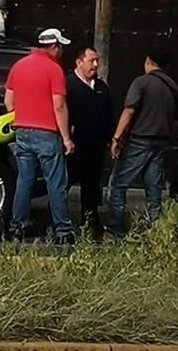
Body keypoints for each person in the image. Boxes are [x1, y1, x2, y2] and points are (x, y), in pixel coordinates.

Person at [4, 28, 75, 244]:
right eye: (60, 47)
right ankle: (63, 231)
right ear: (53, 47)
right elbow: (59, 106)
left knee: (24, 181)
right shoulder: (54, 69)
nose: (62, 51)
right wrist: (66, 139)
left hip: (22, 131)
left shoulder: (19, 66)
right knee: (56, 183)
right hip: (47, 133)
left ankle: (17, 227)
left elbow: (8, 102)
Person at [107, 47, 178, 237]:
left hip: (139, 140)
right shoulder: (172, 86)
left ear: (148, 61)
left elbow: (129, 111)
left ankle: (115, 230)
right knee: (154, 189)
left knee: (118, 184)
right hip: (162, 143)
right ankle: (153, 231)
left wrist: (116, 138)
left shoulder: (141, 82)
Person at [66, 46, 113, 234]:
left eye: (97, 61)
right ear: (79, 62)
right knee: (65, 182)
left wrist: (111, 138)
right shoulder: (68, 84)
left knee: (92, 186)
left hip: (96, 146)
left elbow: (109, 114)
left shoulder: (101, 88)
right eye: (91, 60)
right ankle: (59, 221)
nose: (95, 65)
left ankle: (90, 223)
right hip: (74, 145)